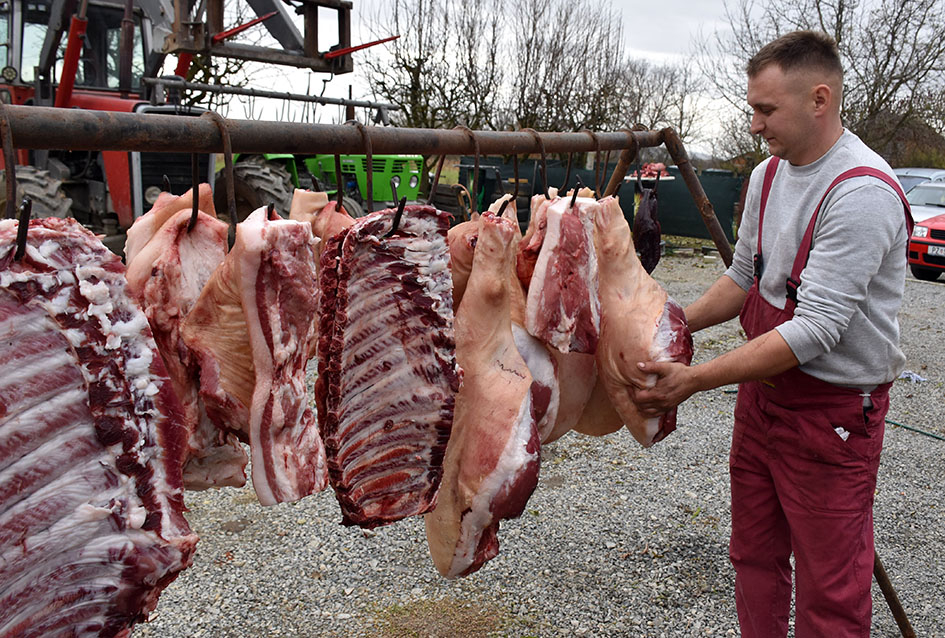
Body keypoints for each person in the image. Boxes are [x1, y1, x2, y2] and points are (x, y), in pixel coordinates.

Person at [630, 30, 913, 637]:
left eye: (766, 110)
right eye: (752, 109)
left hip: (832, 416)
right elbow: (743, 279)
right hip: (763, 401)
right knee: (754, 556)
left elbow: (815, 330)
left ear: (819, 99)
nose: (755, 125)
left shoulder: (862, 193)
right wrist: (668, 323)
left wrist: (693, 380)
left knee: (830, 589)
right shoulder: (767, 175)